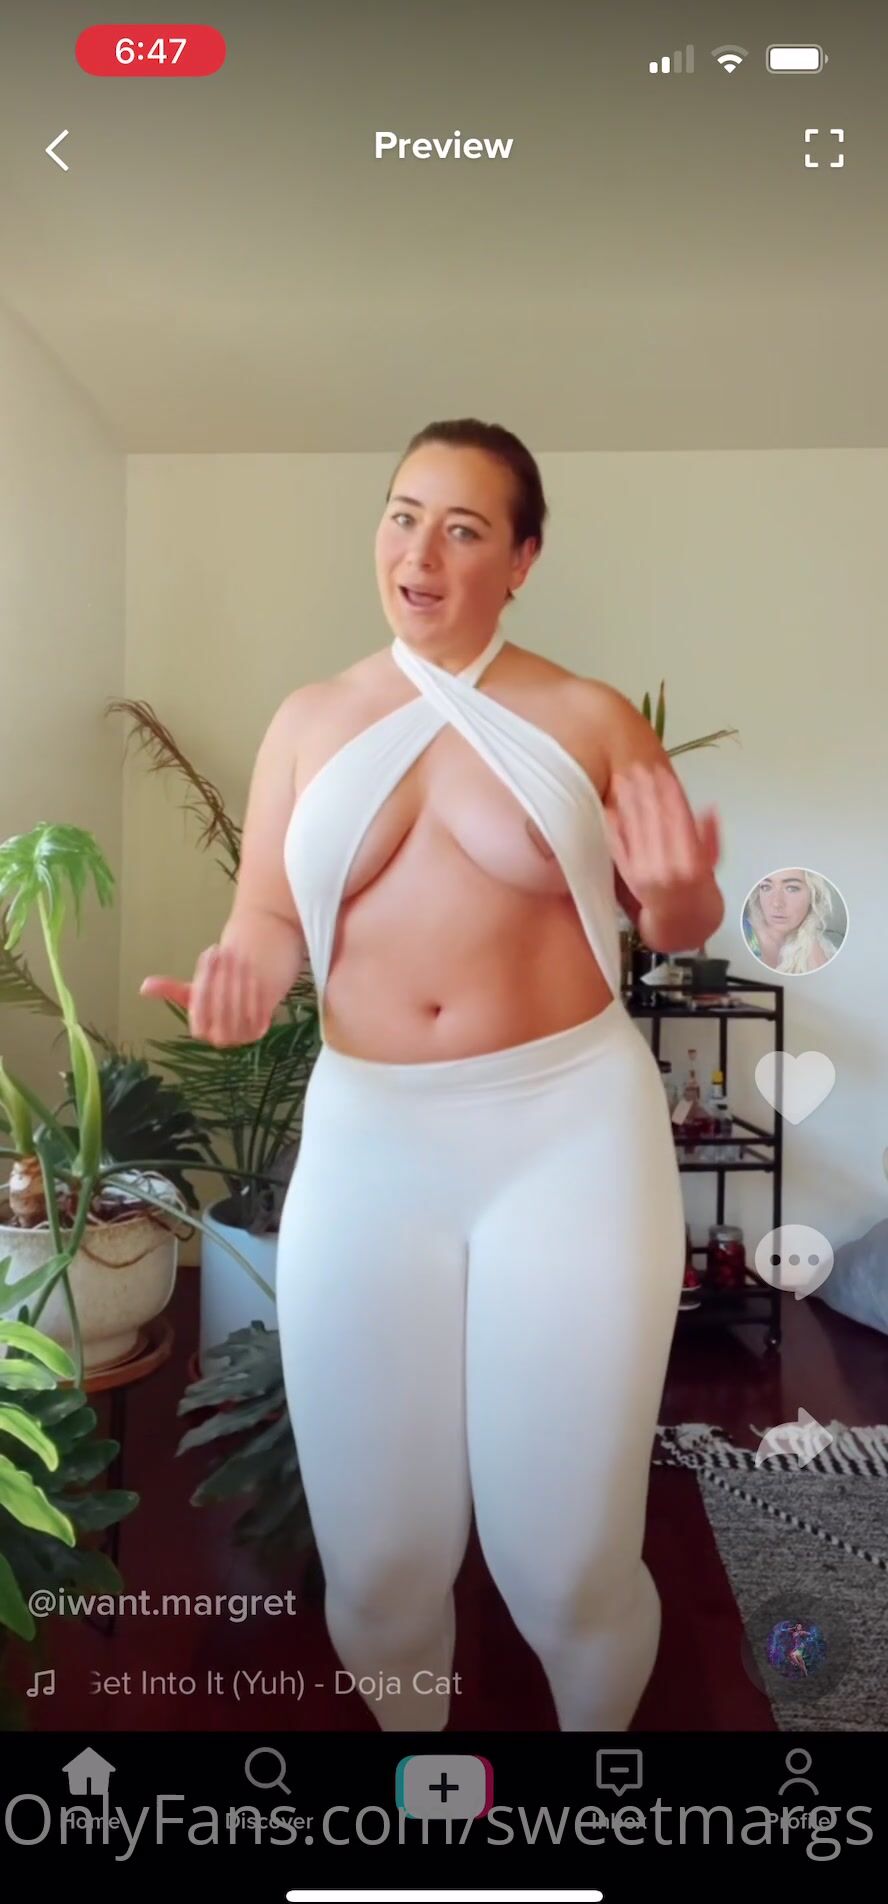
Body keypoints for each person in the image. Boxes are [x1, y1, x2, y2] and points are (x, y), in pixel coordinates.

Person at [141, 417, 725, 1732]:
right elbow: (268, 919)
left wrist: (683, 892)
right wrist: (242, 981)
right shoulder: (311, 722)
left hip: (568, 1135)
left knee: (566, 1568)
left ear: (522, 560)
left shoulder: (587, 717)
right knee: (383, 1566)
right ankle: (426, 1799)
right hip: (370, 1142)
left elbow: (674, 918)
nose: (421, 551)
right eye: (404, 515)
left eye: (464, 528)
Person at [743, 869, 837, 974]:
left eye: (792, 888)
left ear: (813, 895)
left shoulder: (823, 949)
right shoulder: (742, 937)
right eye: (766, 887)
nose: (776, 903)